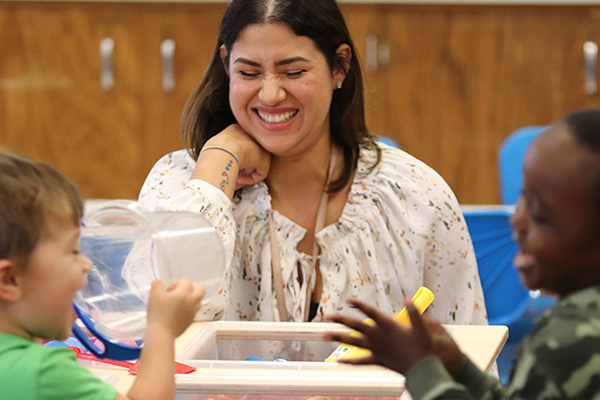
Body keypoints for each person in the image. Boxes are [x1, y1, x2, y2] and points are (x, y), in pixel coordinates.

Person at [139, 0, 487, 325]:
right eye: (248, 73)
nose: (270, 94)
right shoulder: (180, 183)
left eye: (292, 72)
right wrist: (221, 156)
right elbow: (163, 323)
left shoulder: (415, 194)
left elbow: (465, 355)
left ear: (340, 67)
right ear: (226, 65)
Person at [324, 108, 600, 399]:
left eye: (541, 215)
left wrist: (419, 368)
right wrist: (461, 369)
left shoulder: (568, 342)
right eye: (523, 197)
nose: (517, 220)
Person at [0, 148, 205, 400]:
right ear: (9, 280)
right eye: (73, 250)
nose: (86, 263)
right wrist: (161, 329)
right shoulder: (43, 373)